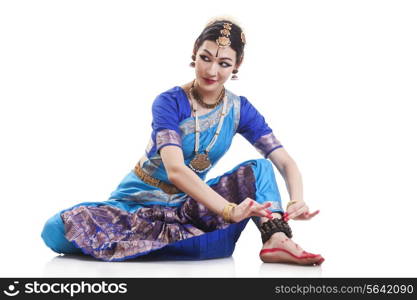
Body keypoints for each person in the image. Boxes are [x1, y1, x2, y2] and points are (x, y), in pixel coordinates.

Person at [41, 17, 324, 266]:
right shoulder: (170, 102)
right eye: (206, 57)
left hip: (186, 209)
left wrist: (296, 199)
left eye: (224, 63)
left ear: (237, 65)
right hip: (135, 207)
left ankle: (275, 238)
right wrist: (229, 210)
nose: (212, 71)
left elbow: (284, 161)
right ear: (194, 53)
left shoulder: (239, 109)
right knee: (56, 228)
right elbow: (175, 170)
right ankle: (160, 240)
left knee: (259, 168)